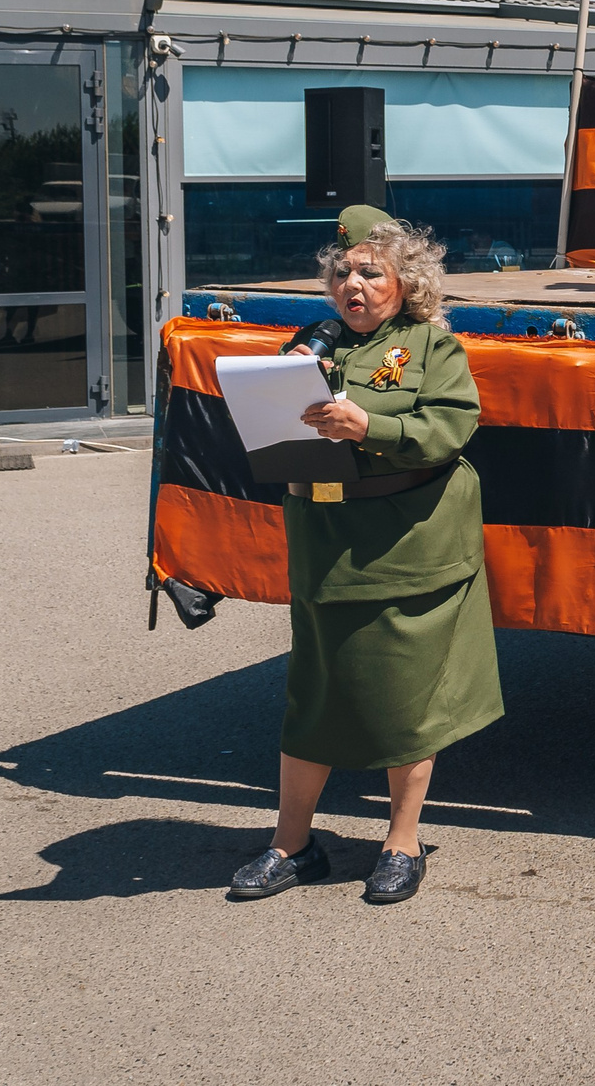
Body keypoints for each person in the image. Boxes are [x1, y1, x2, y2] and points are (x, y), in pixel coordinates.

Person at [227, 204, 504, 906]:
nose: (353, 284)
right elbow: (273, 437)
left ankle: (402, 844)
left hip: (408, 549)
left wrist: (367, 425)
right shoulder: (311, 345)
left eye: (371, 272)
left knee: (405, 704)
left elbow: (449, 429)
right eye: (343, 272)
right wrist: (281, 386)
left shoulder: (432, 347)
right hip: (326, 546)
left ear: (405, 283)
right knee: (312, 698)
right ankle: (292, 845)